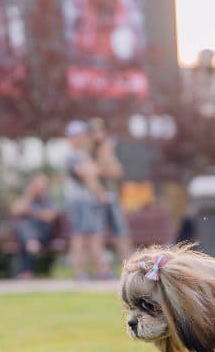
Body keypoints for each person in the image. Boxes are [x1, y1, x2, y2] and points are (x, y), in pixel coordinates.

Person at [62, 120, 110, 280]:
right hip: (79, 201)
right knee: (80, 236)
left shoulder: (82, 155)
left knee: (93, 235)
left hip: (88, 201)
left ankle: (100, 271)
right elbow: (87, 174)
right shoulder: (71, 156)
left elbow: (96, 172)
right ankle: (79, 273)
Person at [89, 118, 131, 261]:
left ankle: (129, 264)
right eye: (95, 131)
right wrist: (102, 155)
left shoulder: (109, 148)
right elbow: (93, 172)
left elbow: (117, 171)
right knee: (97, 234)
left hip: (112, 196)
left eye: (100, 131)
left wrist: (106, 154)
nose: (98, 134)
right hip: (95, 198)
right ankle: (101, 270)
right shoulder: (88, 150)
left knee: (121, 232)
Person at [11, 173, 58, 279]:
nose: (40, 189)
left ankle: (27, 271)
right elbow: (16, 210)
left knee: (27, 233)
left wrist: (31, 211)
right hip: (27, 234)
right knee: (25, 228)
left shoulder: (48, 200)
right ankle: (31, 244)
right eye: (37, 186)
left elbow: (49, 217)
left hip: (43, 233)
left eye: (42, 186)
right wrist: (28, 196)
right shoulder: (28, 199)